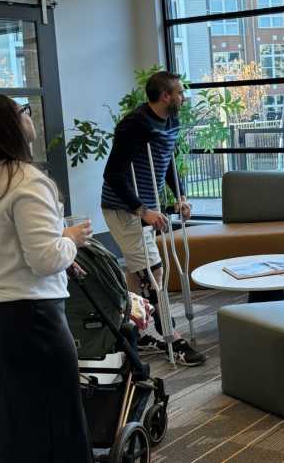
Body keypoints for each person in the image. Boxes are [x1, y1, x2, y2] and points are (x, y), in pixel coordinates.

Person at [0, 91, 93, 463]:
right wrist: (71, 240)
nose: (29, 116)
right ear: (10, 125)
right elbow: (45, 259)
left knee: (6, 420)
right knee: (50, 421)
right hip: (31, 321)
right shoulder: (27, 180)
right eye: (22, 111)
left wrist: (61, 242)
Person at [101, 70, 205, 367]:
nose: (184, 97)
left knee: (137, 275)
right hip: (124, 209)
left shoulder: (170, 120)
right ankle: (171, 336)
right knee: (153, 272)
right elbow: (113, 174)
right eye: (180, 93)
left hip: (146, 207)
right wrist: (142, 210)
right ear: (165, 96)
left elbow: (166, 161)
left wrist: (180, 195)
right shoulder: (134, 125)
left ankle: (134, 332)